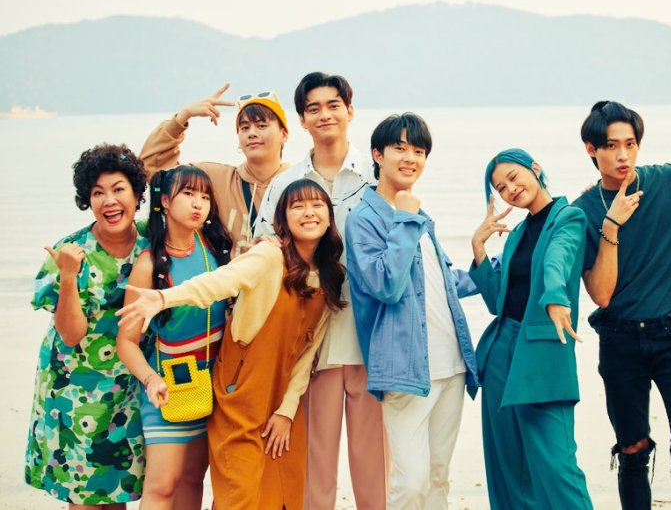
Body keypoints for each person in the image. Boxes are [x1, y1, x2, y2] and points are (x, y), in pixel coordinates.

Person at [117, 179, 345, 510]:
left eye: (317, 205)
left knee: (284, 495)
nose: (308, 213)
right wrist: (164, 298)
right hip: (241, 391)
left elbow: (307, 353)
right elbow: (219, 282)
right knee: (239, 495)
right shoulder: (269, 256)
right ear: (283, 219)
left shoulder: (330, 274)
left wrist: (286, 409)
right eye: (297, 206)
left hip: (283, 400)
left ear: (329, 216)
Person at [572, 100, 671, 509]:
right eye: (612, 146)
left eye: (630, 144)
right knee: (632, 449)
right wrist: (611, 224)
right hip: (618, 339)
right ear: (591, 149)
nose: (623, 155)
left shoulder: (670, 181)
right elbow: (600, 294)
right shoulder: (583, 212)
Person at [254, 72, 387, 510]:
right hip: (310, 345)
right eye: (314, 108)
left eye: (334, 105)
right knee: (314, 471)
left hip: (369, 340)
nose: (325, 114)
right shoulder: (284, 183)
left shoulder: (377, 178)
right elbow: (263, 254)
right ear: (302, 120)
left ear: (350, 111)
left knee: (375, 470)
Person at [345, 113, 479, 510]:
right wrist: (405, 217)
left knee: (438, 476)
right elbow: (386, 284)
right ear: (377, 155)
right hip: (406, 370)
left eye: (419, 151)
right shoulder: (364, 219)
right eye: (400, 148)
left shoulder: (417, 215)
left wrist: (495, 258)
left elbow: (445, 283)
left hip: (451, 364)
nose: (411, 158)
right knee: (411, 482)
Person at [25, 143, 148, 508]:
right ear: (87, 200)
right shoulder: (72, 250)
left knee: (118, 491)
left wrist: (182, 119)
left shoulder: (150, 242)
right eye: (97, 193)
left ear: (136, 194)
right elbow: (70, 333)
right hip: (74, 391)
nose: (109, 201)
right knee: (83, 497)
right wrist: (68, 275)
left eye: (118, 189)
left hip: (127, 388)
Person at [469, 148, 593, 509]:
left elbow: (558, 258)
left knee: (557, 468)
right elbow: (498, 302)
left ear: (535, 169)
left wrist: (555, 296)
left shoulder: (569, 217)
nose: (510, 189)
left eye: (513, 177)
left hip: (542, 349)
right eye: (500, 188)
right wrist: (478, 246)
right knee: (508, 468)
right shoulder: (517, 234)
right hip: (501, 351)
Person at [116, 166, 232, 509]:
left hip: (212, 383)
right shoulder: (149, 263)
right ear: (165, 201)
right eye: (188, 194)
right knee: (162, 486)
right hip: (168, 385)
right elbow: (126, 341)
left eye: (205, 196)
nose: (198, 204)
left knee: (193, 479)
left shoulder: (216, 249)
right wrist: (150, 380)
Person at [140, 84, 290, 255]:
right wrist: (183, 116)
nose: (252, 133)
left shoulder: (299, 183)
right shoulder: (216, 179)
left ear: (284, 134)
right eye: (244, 128)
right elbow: (151, 167)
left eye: (262, 125)